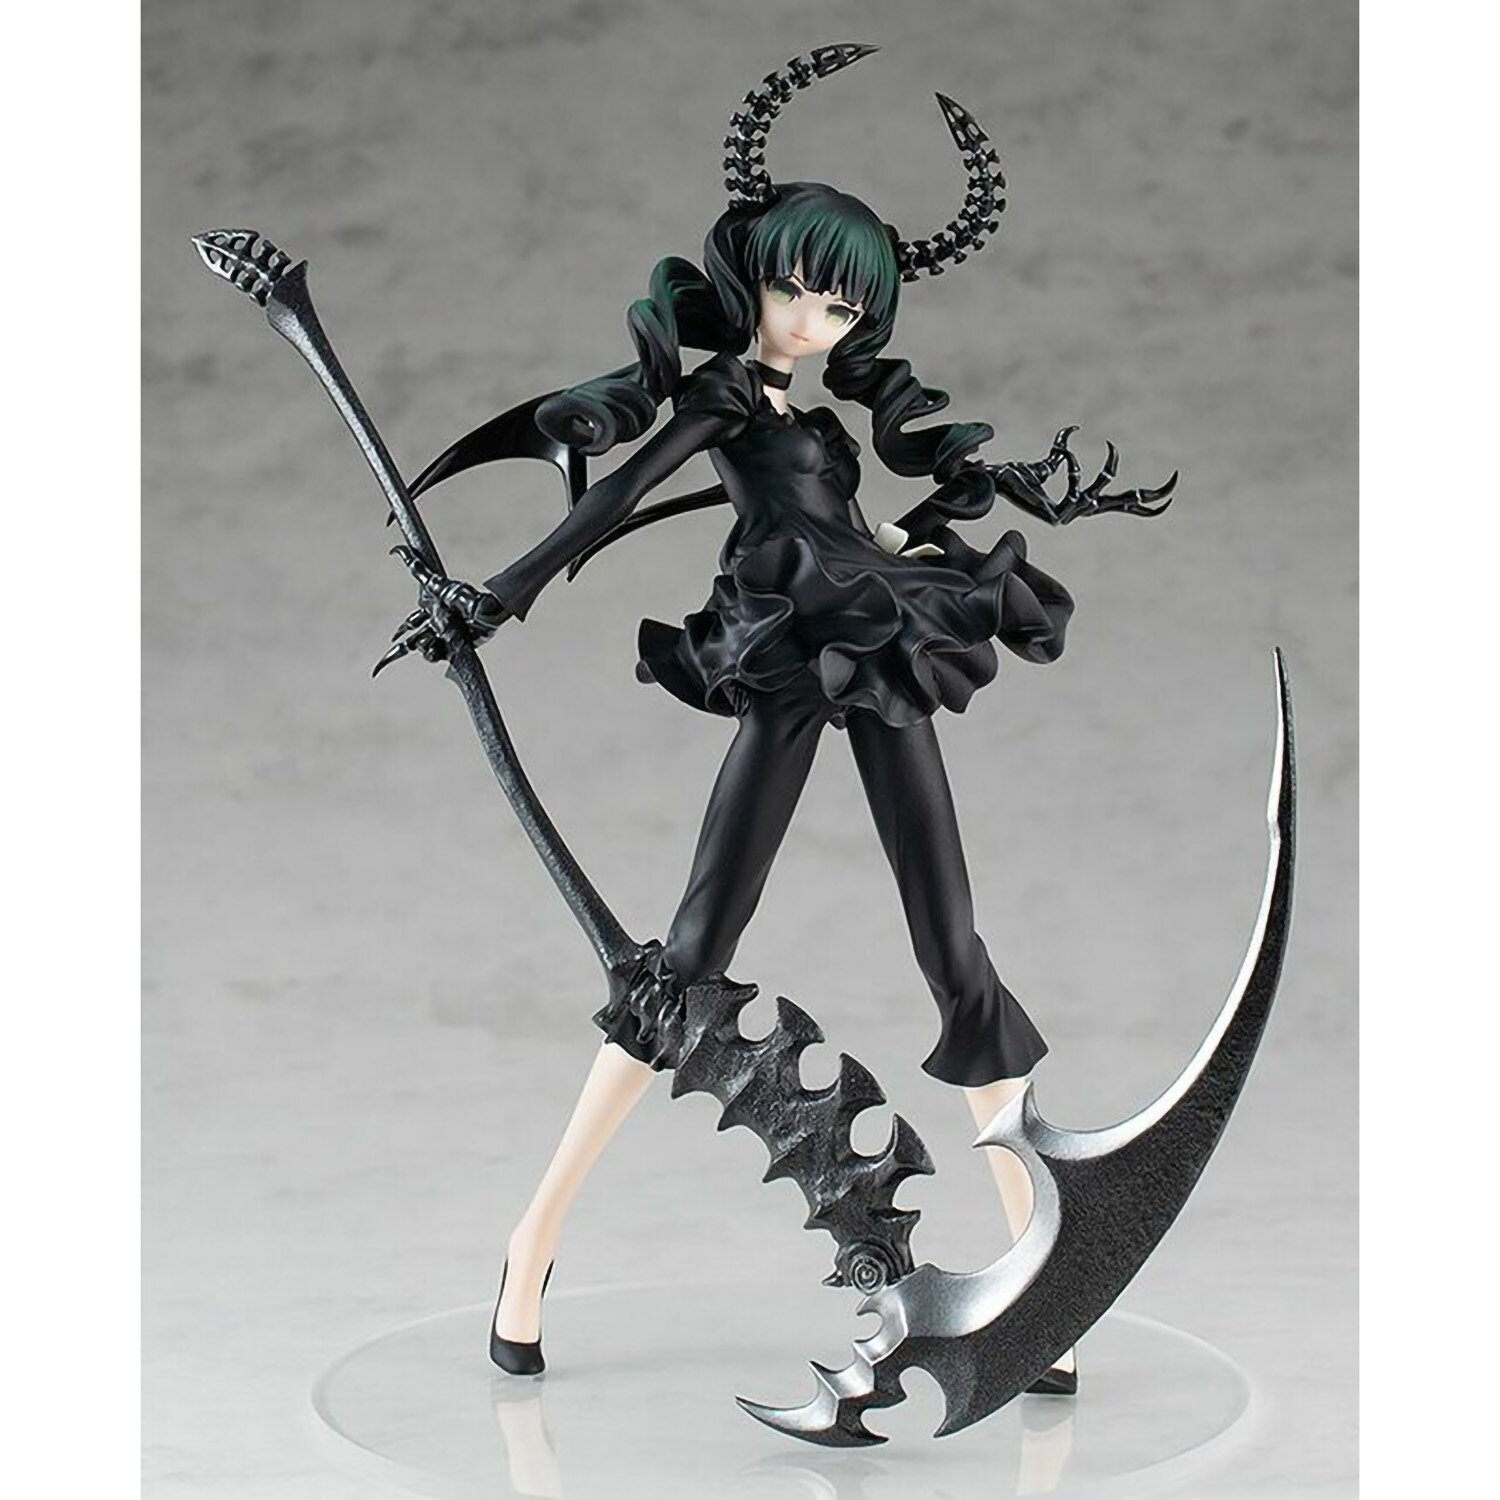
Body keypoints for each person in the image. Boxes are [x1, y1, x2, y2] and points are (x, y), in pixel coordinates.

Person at [384, 45, 1174, 1392]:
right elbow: (616, 494)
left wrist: (943, 523)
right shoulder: (717, 397)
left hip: (873, 632)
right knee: (690, 955)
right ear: (754, 274)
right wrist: (496, 594)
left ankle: (1031, 1271)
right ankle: (532, 1241)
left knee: (955, 948)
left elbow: (843, 518)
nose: (811, 319)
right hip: (791, 653)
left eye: (838, 306)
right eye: (797, 289)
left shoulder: (811, 408)